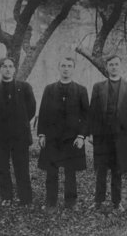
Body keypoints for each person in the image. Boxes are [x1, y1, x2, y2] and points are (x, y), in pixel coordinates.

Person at [37, 57, 89, 212]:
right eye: (63, 66)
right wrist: (41, 134)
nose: (66, 69)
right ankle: (51, 203)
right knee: (51, 172)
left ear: (73, 69)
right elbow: (43, 112)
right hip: (53, 138)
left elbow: (86, 116)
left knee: (70, 172)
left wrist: (81, 136)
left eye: (69, 66)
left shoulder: (81, 90)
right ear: (59, 68)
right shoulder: (49, 89)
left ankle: (71, 203)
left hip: (72, 139)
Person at [0, 57, 36, 206]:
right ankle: (6, 197)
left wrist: (20, 123)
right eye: (4, 66)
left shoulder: (25, 88)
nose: (8, 69)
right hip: (0, 136)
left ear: (14, 69)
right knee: (3, 168)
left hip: (20, 135)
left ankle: (25, 198)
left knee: (22, 167)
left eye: (10, 66)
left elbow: (31, 109)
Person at [89, 55, 127, 212]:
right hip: (102, 136)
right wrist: (91, 132)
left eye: (117, 64)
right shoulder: (98, 87)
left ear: (120, 66)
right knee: (101, 170)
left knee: (117, 170)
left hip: (120, 136)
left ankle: (117, 202)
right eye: (111, 64)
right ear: (107, 67)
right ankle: (98, 201)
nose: (114, 67)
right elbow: (93, 111)